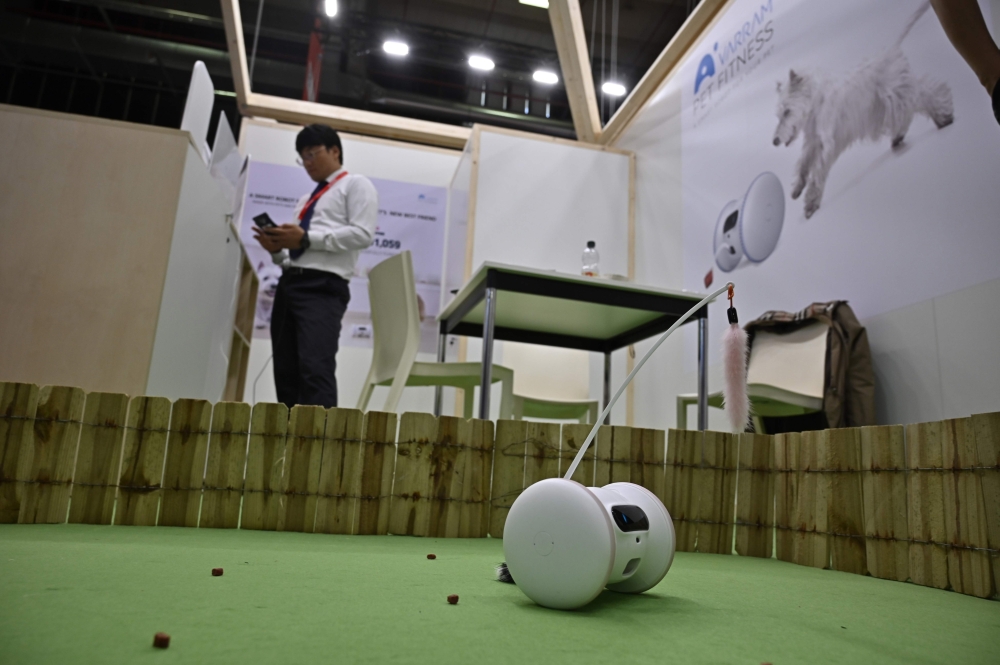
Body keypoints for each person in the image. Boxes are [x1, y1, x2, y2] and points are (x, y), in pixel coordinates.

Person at [253, 124, 378, 408]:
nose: (307, 163)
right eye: (302, 157)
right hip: (289, 283)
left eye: (312, 154)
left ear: (335, 151)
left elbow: (362, 234)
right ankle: (289, 447)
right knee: (285, 371)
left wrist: (307, 238)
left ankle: (322, 449)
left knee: (315, 369)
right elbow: (298, 254)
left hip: (322, 286)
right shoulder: (306, 200)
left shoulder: (356, 185)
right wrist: (276, 253)